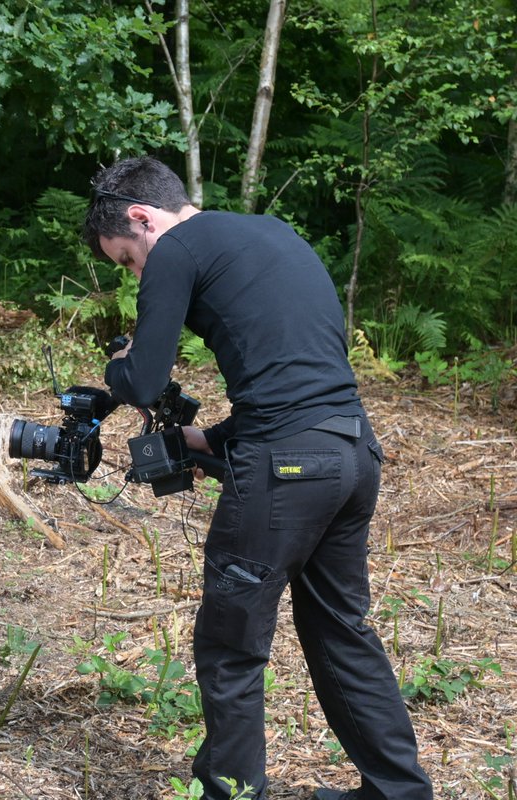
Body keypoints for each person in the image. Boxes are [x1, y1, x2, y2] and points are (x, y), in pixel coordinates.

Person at [83, 157, 432, 800]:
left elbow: (144, 381)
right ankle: (399, 792)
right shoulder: (270, 231)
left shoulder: (175, 250)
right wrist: (206, 440)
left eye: (127, 260)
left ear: (142, 217)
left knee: (230, 644)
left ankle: (230, 793)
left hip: (290, 466)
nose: (136, 273)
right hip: (352, 451)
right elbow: (291, 376)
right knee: (340, 631)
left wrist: (119, 363)